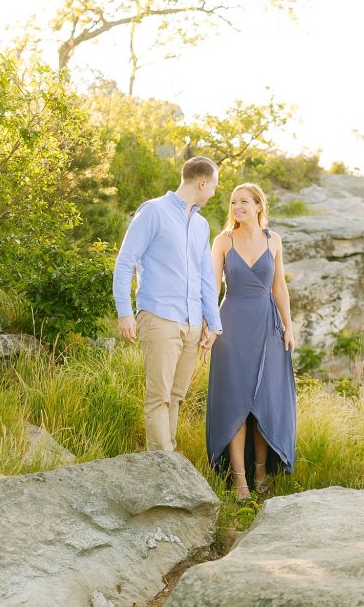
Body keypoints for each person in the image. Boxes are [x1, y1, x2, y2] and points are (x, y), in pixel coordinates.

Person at [113, 156, 223, 452]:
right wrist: (125, 312)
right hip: (159, 317)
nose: (214, 192)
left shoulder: (200, 225)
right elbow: (125, 263)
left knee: (176, 397)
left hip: (192, 323)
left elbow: (205, 279)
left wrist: (213, 324)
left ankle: (169, 464)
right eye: (214, 185)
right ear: (203, 182)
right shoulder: (153, 211)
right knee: (158, 397)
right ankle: (161, 469)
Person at [204, 183, 297, 500]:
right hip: (231, 327)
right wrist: (209, 327)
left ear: (259, 205)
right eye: (233, 202)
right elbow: (212, 288)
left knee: (263, 405)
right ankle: (240, 481)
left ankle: (261, 471)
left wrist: (289, 326)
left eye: (244, 201)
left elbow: (279, 288)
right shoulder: (223, 241)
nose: (237, 207)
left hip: (268, 328)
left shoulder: (274, 240)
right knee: (236, 405)